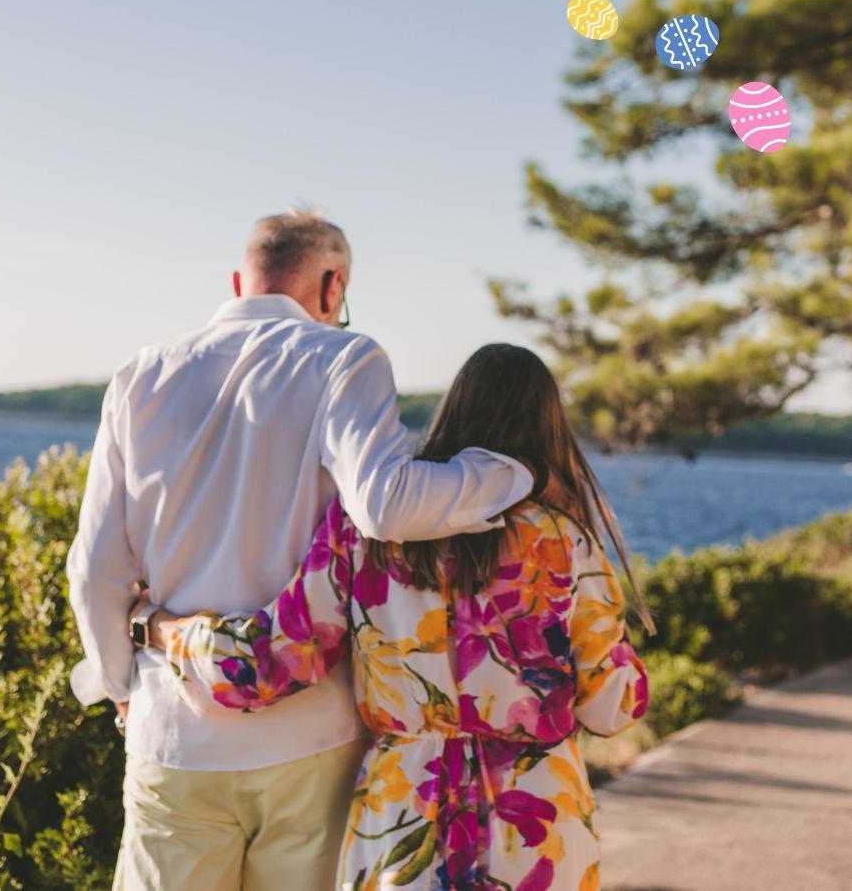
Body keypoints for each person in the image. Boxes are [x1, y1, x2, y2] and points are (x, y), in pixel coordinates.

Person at [66, 211, 534, 891]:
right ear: (331, 284)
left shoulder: (140, 375)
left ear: (239, 280)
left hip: (175, 734)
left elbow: (95, 569)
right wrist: (513, 473)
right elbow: (387, 504)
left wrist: (121, 690)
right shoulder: (344, 356)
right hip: (309, 736)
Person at [142, 343, 652, 890]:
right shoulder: (564, 538)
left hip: (403, 810)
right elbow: (612, 706)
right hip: (539, 823)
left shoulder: (365, 532)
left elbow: (271, 663)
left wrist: (163, 631)